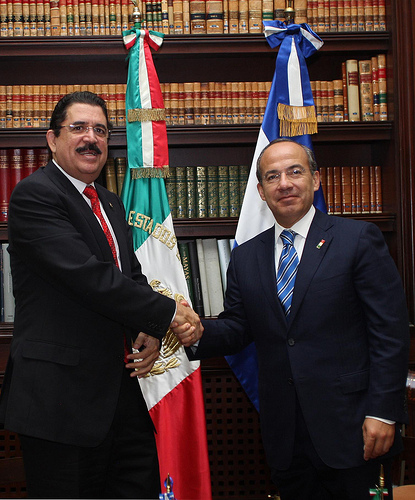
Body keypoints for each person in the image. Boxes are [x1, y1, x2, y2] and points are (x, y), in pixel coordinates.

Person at [173, 138, 410, 500]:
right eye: (272, 176)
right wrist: (196, 330)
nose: (284, 183)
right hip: (285, 433)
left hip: (354, 426)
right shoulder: (246, 257)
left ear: (316, 180)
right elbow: (238, 327)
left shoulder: (358, 239)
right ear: (261, 192)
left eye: (295, 171)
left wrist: (384, 412)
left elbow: (389, 334)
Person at [0, 91, 202, 499]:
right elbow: (87, 277)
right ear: (52, 140)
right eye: (78, 128)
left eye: (100, 130)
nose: (91, 138)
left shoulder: (109, 202)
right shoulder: (34, 195)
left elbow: (130, 276)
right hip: (60, 403)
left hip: (122, 396)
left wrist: (144, 325)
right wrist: (170, 315)